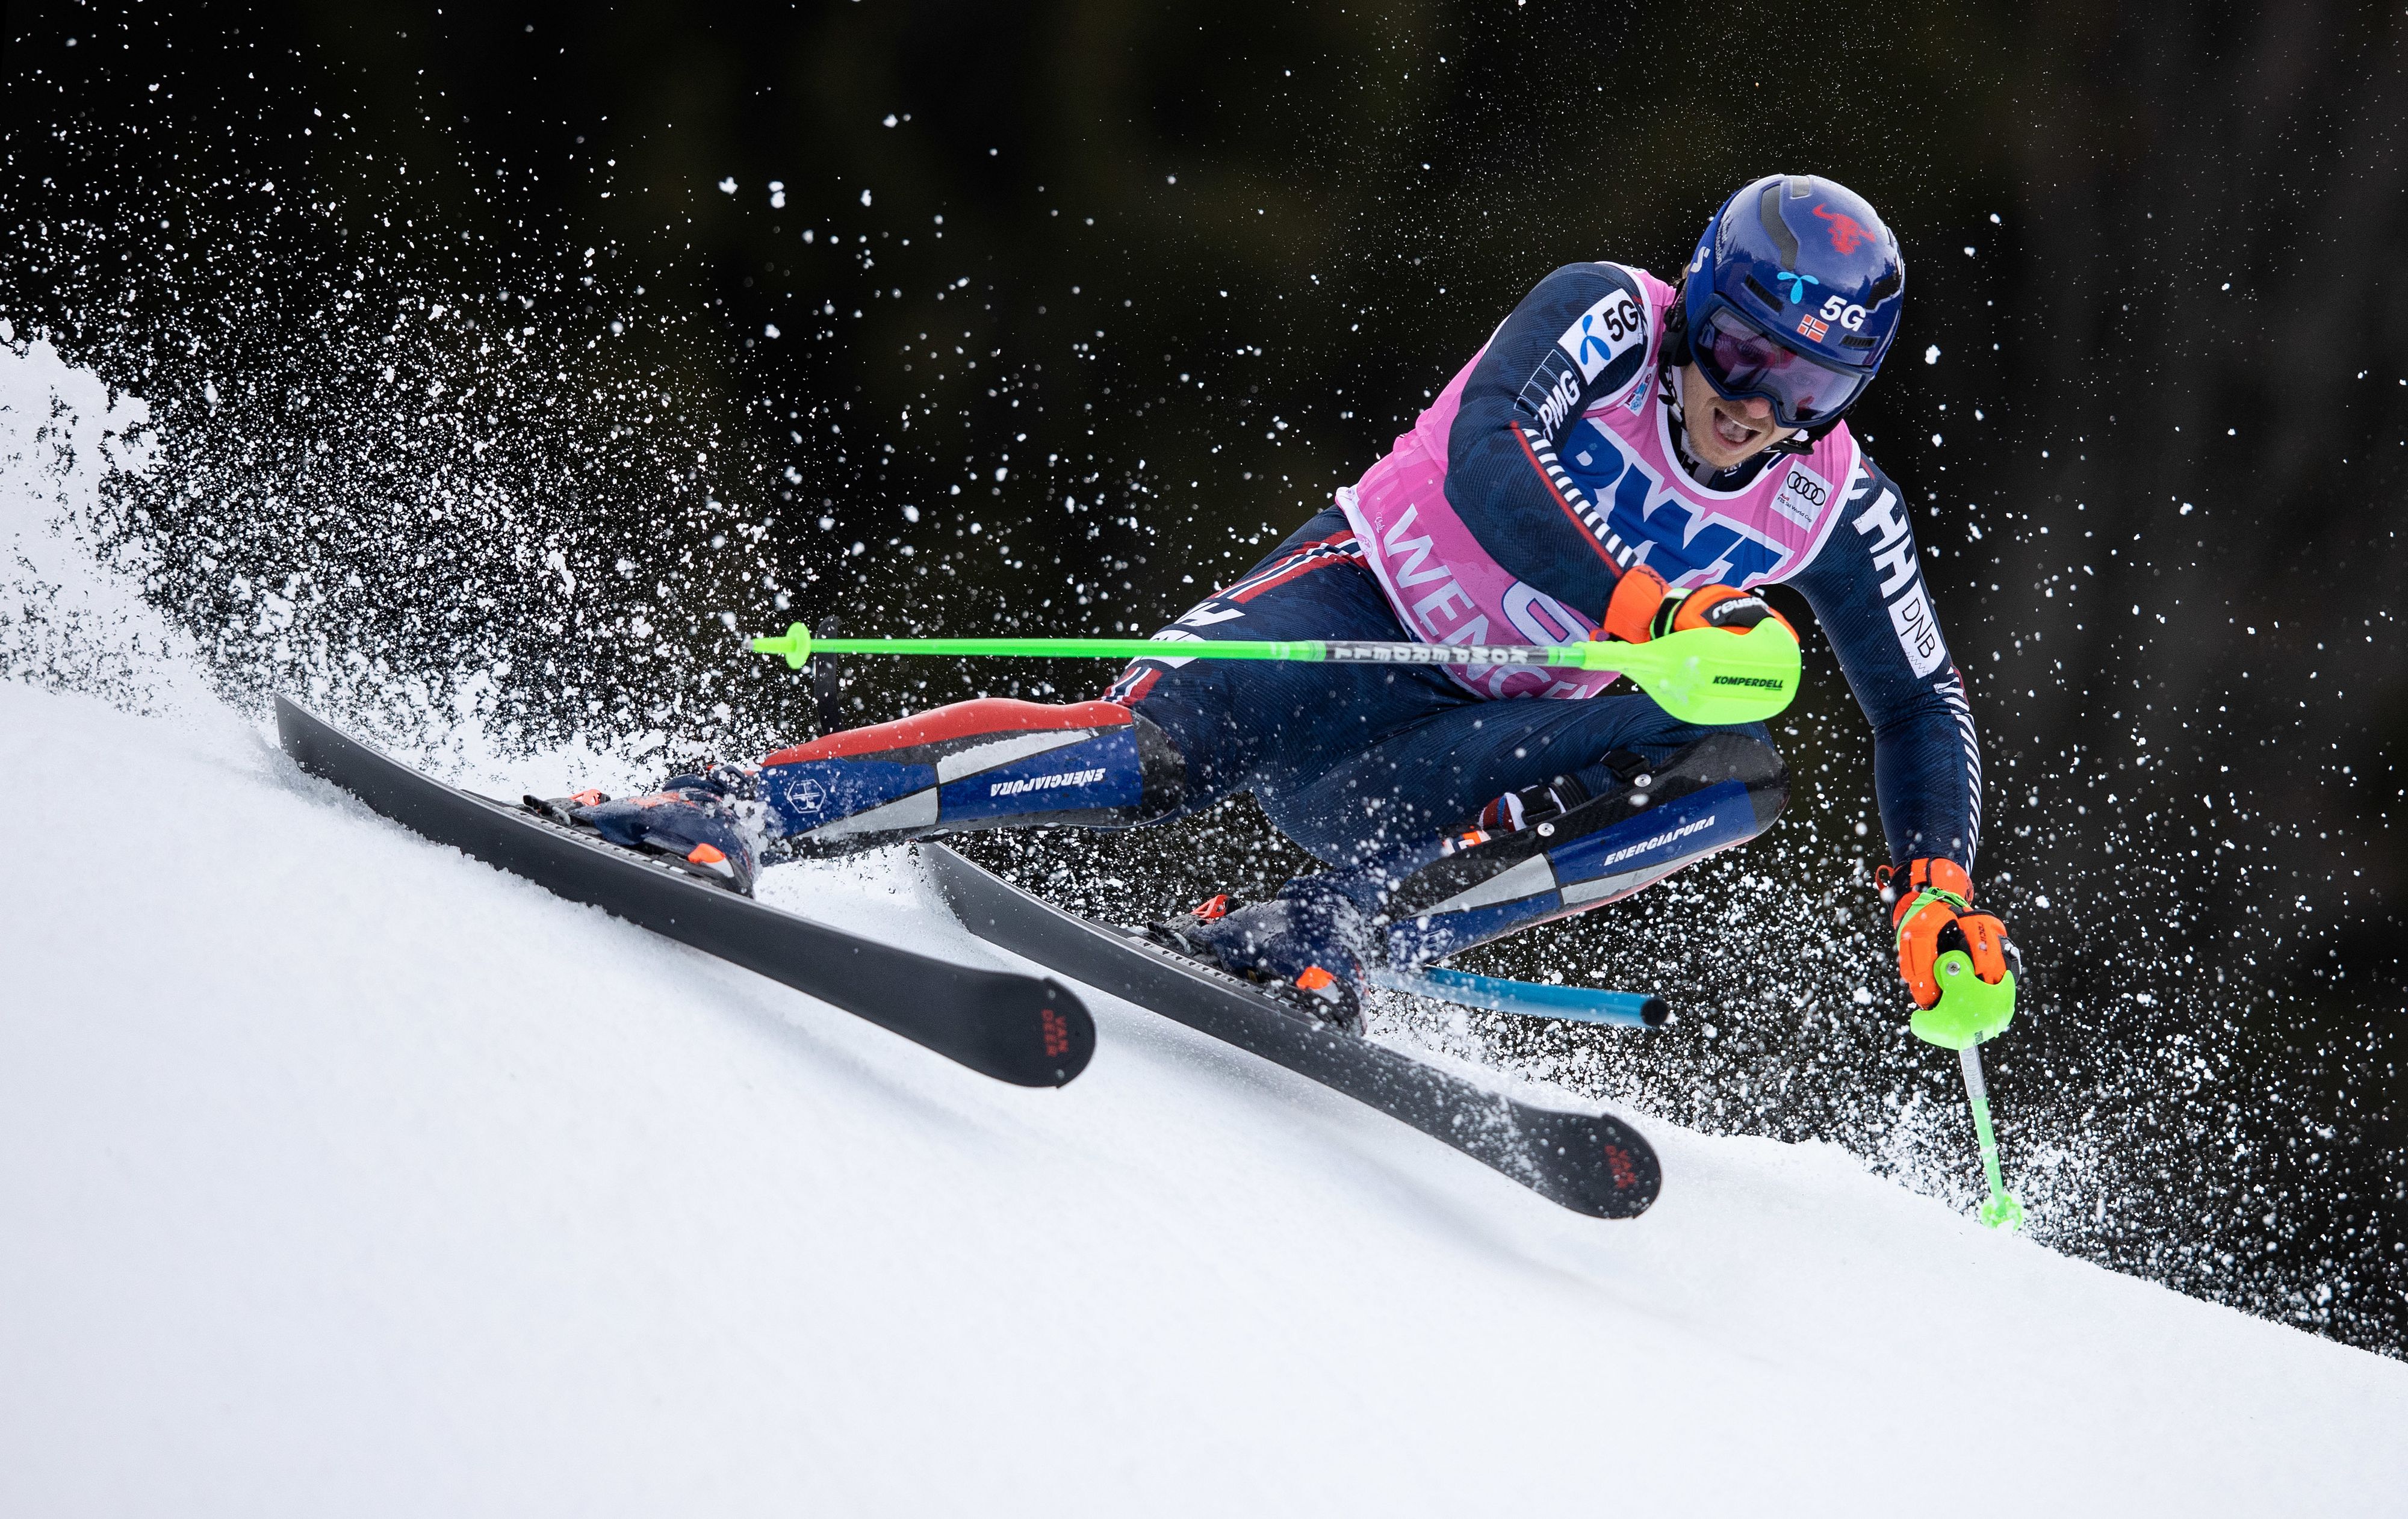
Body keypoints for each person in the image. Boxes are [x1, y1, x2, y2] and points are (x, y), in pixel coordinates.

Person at [537, 174, 2017, 1030]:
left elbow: (1914, 699)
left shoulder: (1832, 498)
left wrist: (1934, 888)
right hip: (1359, 611)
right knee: (1129, 757)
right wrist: (1637, 608)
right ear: (1700, 304)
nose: (1763, 408)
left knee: (1736, 764)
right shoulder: (1606, 315)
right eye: (1750, 358)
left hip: (1451, 765)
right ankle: (733, 806)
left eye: (1812, 388)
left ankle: (1337, 922)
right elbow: (1494, 455)